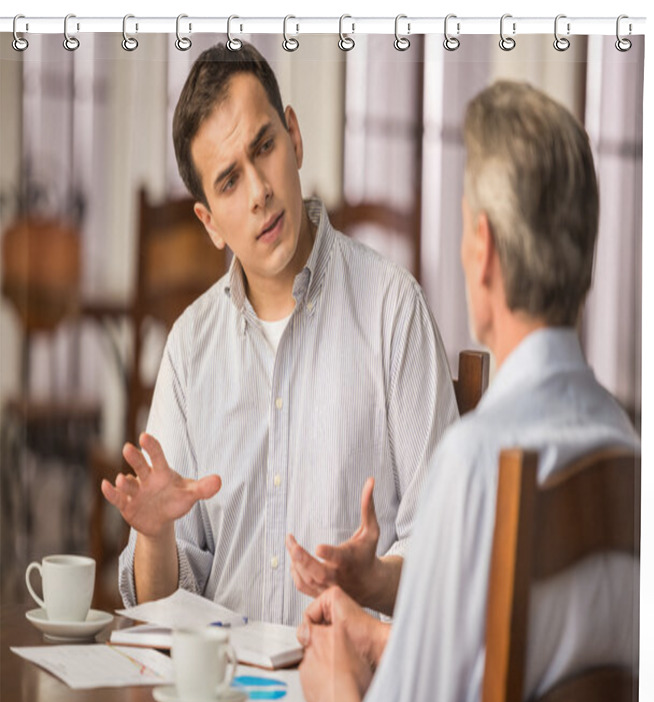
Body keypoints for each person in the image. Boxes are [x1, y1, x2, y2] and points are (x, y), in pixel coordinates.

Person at [296, 80, 641, 702]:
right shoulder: (626, 448)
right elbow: (526, 661)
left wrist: (333, 681)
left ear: (483, 251)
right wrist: (381, 638)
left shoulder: (479, 462)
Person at [105, 43, 458, 625]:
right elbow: (160, 609)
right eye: (227, 182)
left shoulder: (393, 309)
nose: (258, 192)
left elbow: (447, 553)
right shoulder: (190, 349)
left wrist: (375, 582)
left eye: (263, 147)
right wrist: (156, 536)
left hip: (357, 699)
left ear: (294, 136)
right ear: (209, 222)